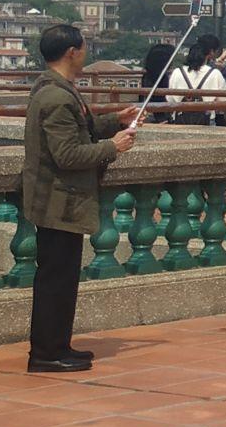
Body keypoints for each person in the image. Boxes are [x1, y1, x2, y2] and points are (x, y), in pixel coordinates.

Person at [21, 24, 140, 374]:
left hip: (62, 201)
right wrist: (112, 147)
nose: (86, 53)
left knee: (62, 277)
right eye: (84, 48)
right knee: (56, 279)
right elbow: (68, 154)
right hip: (58, 201)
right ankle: (45, 352)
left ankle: (58, 345)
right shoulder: (56, 96)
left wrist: (113, 122)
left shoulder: (57, 88)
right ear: (72, 51)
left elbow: (79, 132)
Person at [166, 34, 226, 125]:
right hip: (206, 120)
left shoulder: (177, 72)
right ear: (208, 55)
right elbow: (222, 100)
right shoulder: (215, 74)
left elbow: (170, 99)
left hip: (180, 120)